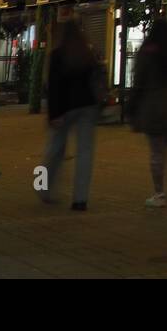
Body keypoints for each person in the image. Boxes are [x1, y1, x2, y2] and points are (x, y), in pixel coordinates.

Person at [39, 19, 101, 210]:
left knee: (54, 150)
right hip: (87, 107)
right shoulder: (87, 54)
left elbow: (54, 87)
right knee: (85, 152)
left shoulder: (57, 55)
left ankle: (43, 188)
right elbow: (95, 81)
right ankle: (80, 199)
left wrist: (53, 114)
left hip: (64, 108)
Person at [128, 19, 167, 207]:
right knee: (165, 146)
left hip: (153, 105)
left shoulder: (147, 52)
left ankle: (159, 191)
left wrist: (132, 107)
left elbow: (138, 81)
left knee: (156, 150)